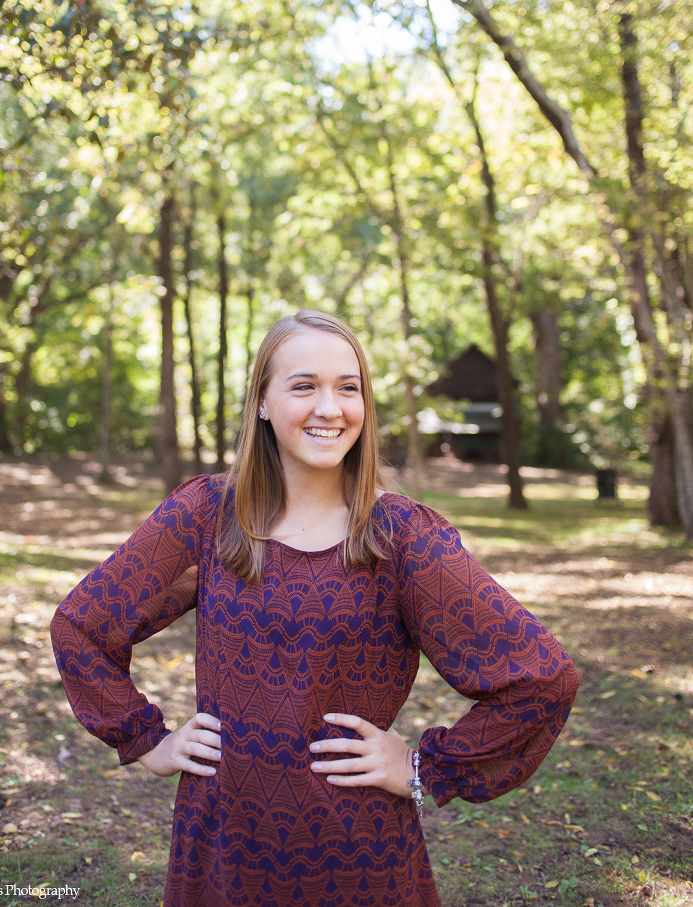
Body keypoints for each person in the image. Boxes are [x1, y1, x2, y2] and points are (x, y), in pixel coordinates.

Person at [50, 309, 579, 907]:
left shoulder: (401, 536)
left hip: (356, 853)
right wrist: (146, 740)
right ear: (263, 403)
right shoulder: (207, 516)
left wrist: (423, 767)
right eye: (304, 385)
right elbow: (83, 624)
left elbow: (542, 677)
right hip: (224, 845)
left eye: (347, 388)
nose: (330, 408)